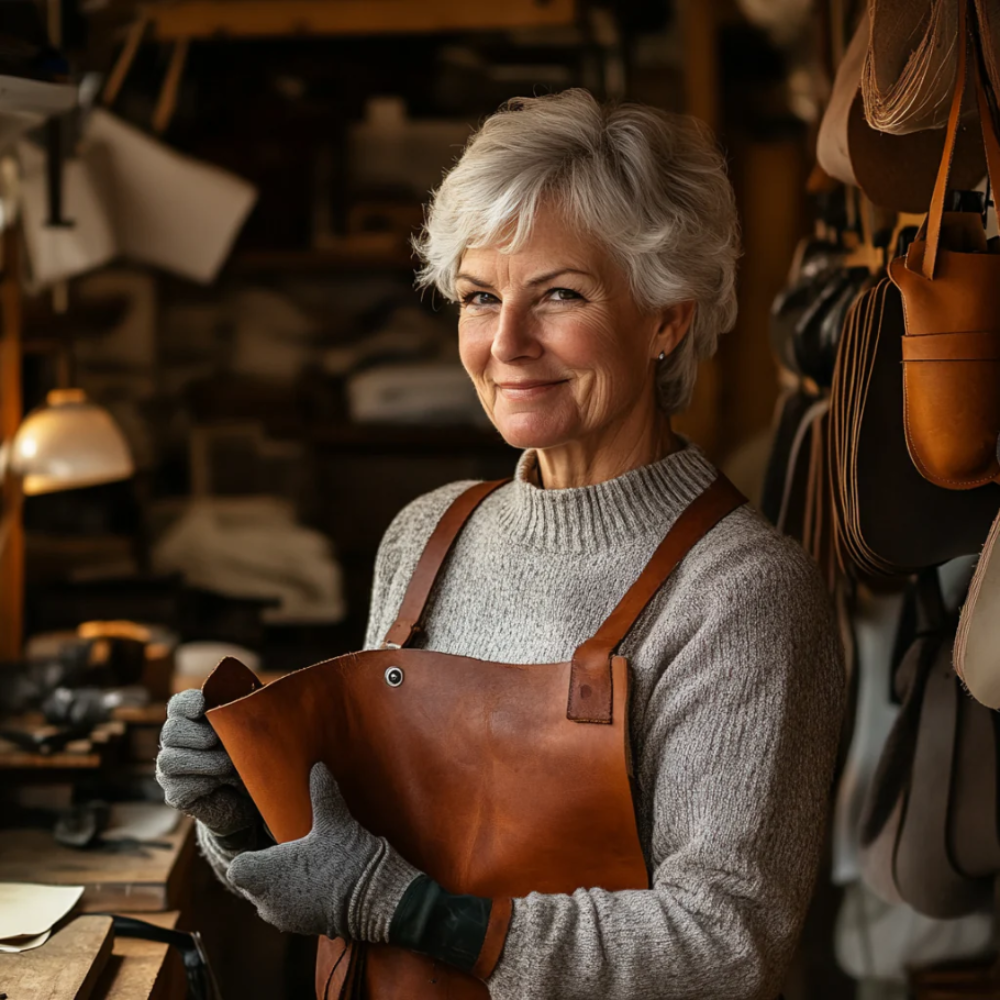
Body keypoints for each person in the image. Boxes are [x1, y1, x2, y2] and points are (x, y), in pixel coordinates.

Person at [156, 89, 844, 999]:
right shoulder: (426, 536)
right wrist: (244, 812)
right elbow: (354, 863)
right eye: (481, 297)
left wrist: (413, 912)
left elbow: (725, 946)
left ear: (668, 317)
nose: (507, 343)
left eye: (559, 294)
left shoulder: (741, 592)